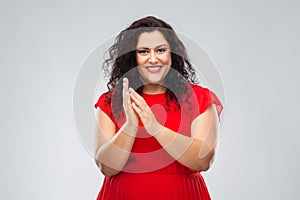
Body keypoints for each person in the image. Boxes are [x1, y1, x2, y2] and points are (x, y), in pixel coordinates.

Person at [94, 16, 223, 200]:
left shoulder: (199, 98)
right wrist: (130, 126)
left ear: (172, 54)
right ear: (132, 57)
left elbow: (202, 160)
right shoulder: (110, 102)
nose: (153, 59)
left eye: (161, 50)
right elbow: (106, 167)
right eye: (144, 51)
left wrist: (155, 128)